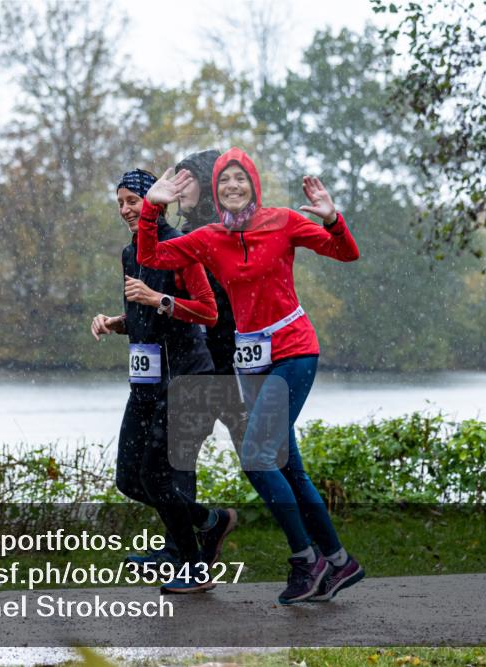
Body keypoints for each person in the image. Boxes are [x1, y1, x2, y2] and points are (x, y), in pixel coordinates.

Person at [136, 148, 366, 604]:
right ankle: (340, 561)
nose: (232, 186)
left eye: (240, 178)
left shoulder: (283, 221)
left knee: (258, 457)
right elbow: (152, 256)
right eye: (224, 180)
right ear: (216, 190)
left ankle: (306, 560)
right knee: (289, 467)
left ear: (254, 185)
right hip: (251, 362)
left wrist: (332, 218)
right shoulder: (209, 237)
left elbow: (346, 252)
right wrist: (151, 209)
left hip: (294, 350)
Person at [90, 168, 237, 594]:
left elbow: (207, 311)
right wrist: (116, 322)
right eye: (119, 203)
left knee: (158, 477)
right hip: (146, 382)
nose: (124, 210)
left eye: (132, 201)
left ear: (154, 201)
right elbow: (144, 316)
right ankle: (210, 521)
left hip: (187, 378)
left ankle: (192, 567)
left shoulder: (180, 248)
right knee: (129, 479)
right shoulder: (129, 254)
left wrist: (159, 299)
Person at [172, 149, 247, 461]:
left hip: (229, 363)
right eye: (176, 178)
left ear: (206, 183)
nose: (178, 187)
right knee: (177, 459)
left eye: (186, 178)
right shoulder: (182, 237)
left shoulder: (230, 234)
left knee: (259, 456)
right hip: (198, 364)